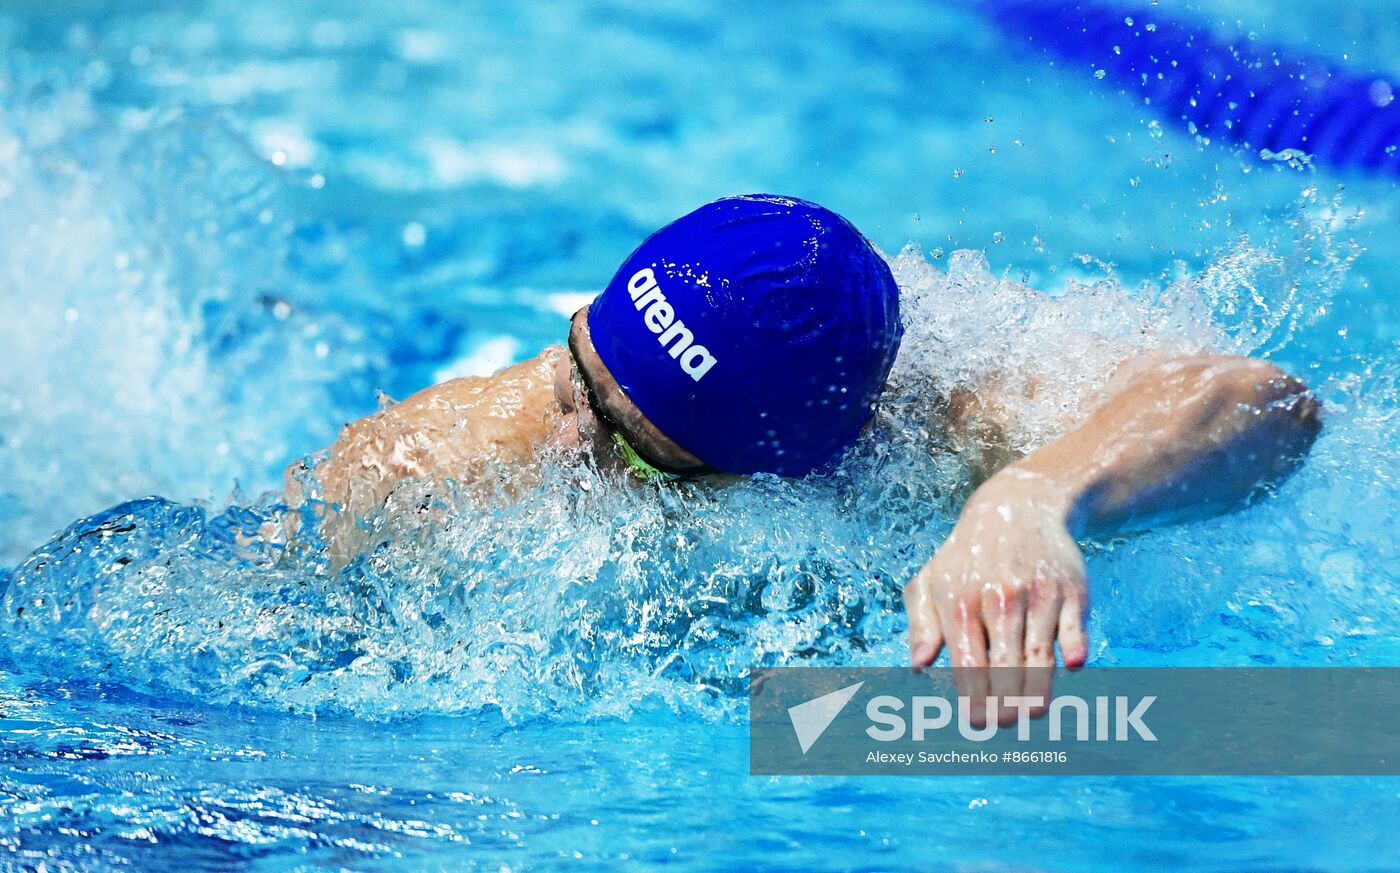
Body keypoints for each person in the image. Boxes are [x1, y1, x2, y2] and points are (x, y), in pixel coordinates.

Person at [294, 194, 1321, 721]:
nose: (568, 449)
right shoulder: (444, 457)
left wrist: (1030, 499)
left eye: (640, 457)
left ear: (791, 466)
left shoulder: (947, 423)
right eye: (577, 379)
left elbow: (1268, 403)